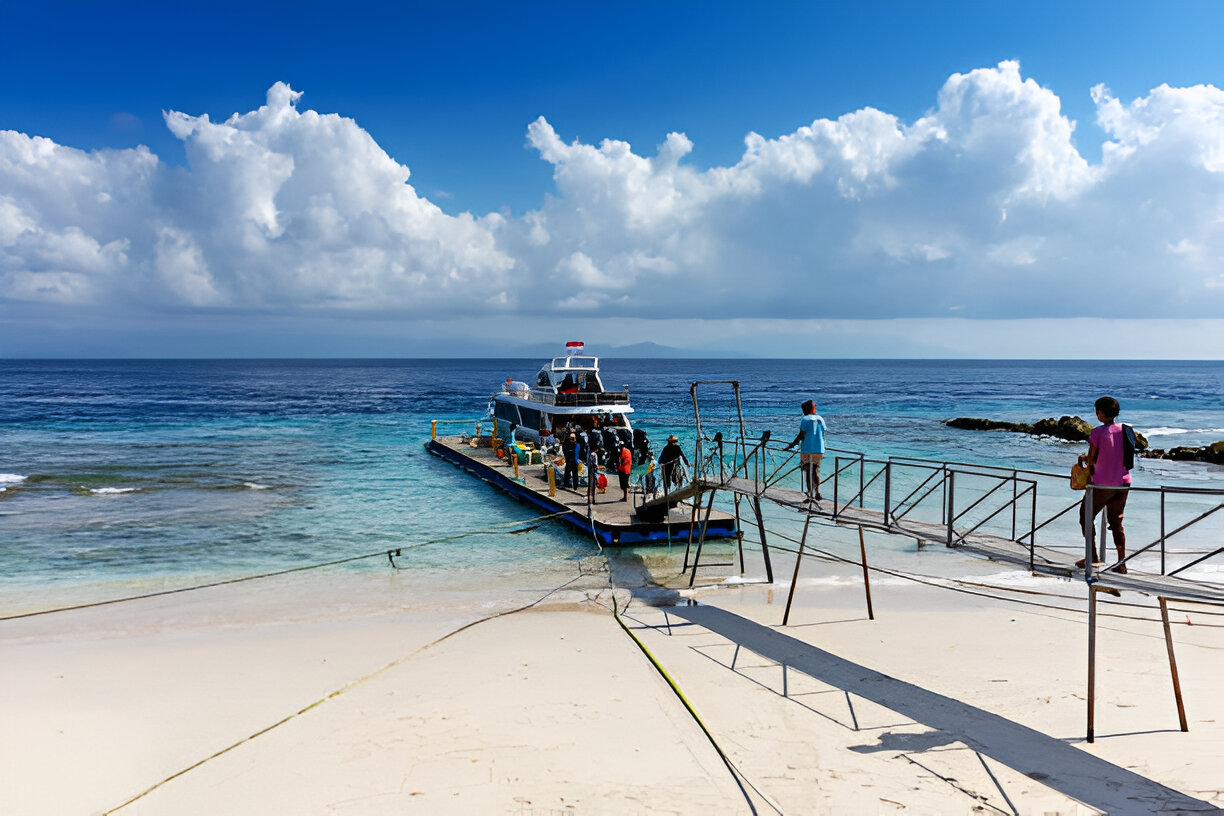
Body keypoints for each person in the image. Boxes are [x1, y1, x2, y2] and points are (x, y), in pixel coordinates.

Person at [1077, 396, 1131, 573]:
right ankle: (1121, 562)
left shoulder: (1096, 433)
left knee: (1086, 516)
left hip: (1101, 483)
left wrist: (1087, 470)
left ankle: (1092, 556)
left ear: (1100, 413)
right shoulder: (1125, 429)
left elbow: (1092, 460)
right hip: (1123, 482)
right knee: (1117, 522)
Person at [784, 400, 827, 501]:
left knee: (808, 472)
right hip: (819, 449)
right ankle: (818, 492)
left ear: (804, 410)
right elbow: (822, 433)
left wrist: (791, 445)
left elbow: (801, 435)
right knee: (815, 471)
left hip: (807, 449)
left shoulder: (805, 419)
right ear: (813, 408)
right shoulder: (820, 418)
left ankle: (810, 495)